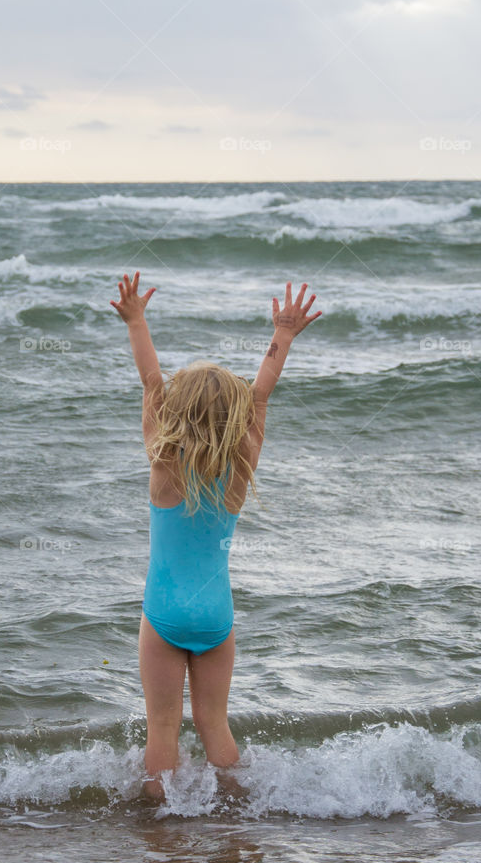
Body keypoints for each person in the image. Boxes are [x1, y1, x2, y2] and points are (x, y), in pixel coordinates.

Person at [110, 272, 322, 802]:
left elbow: (150, 383)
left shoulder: (164, 466)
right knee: (214, 725)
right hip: (216, 617)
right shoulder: (241, 467)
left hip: (163, 613)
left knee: (162, 727)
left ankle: (161, 819)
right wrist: (284, 336)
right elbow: (262, 394)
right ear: (236, 417)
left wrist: (137, 320)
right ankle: (240, 807)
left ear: (174, 412)